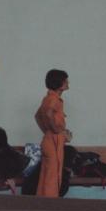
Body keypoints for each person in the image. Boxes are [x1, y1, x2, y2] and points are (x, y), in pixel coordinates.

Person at [35, 69, 69, 197]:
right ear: (59, 83)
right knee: (53, 177)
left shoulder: (48, 98)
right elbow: (48, 113)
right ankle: (50, 205)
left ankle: (42, 205)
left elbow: (37, 116)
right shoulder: (54, 99)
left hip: (49, 139)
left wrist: (47, 130)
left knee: (46, 174)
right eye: (65, 80)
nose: (67, 82)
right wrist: (55, 130)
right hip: (54, 140)